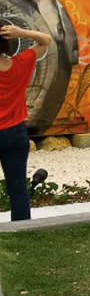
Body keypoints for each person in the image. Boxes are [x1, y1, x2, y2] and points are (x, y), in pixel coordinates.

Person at [0, 23, 53, 221]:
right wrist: (21, 32)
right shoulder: (21, 63)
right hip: (15, 132)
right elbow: (45, 40)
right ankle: (22, 231)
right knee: (18, 189)